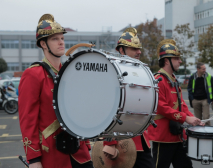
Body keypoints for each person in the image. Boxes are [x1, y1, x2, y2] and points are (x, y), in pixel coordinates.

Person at [18, 14, 93, 168]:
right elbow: (27, 119)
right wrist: (33, 159)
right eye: (55, 39)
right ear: (43, 44)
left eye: (62, 38)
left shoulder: (69, 73)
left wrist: (86, 144)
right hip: (52, 154)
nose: (61, 42)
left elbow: (77, 112)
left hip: (79, 152)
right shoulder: (33, 74)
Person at [102, 27, 155, 168]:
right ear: (121, 50)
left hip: (142, 140)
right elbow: (107, 111)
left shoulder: (141, 72)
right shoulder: (112, 74)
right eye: (134, 48)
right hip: (121, 144)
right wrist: (109, 142)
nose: (139, 52)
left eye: (139, 48)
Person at [148, 39, 203, 168]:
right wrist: (185, 118)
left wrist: (193, 119)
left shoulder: (172, 79)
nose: (180, 61)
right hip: (163, 137)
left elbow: (181, 104)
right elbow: (162, 108)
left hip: (177, 135)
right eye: (177, 58)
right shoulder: (158, 80)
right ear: (167, 61)